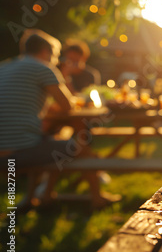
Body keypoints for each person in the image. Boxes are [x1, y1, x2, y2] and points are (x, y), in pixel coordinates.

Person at [0, 29, 117, 210]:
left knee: (52, 143)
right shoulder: (44, 68)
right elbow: (68, 106)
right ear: (46, 52)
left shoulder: (4, 67)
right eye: (54, 55)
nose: (56, 60)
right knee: (81, 149)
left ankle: (36, 198)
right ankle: (97, 199)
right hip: (20, 152)